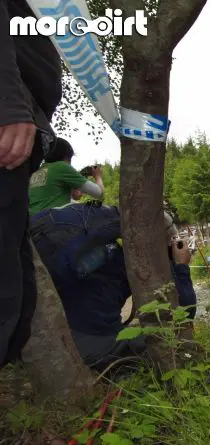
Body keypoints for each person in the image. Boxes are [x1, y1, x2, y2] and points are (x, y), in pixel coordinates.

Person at [29, 203, 197, 371]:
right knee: (166, 348)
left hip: (50, 336)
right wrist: (181, 266)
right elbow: (185, 313)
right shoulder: (135, 267)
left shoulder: (102, 251)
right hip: (91, 345)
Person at [0, 0, 62, 368]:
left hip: (25, 118)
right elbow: (96, 196)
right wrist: (8, 102)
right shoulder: (65, 174)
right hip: (14, 120)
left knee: (15, 299)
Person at [28, 137, 104, 215]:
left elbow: (76, 196)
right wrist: (98, 176)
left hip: (31, 221)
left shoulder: (36, 172)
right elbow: (99, 193)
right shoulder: (61, 167)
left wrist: (80, 179)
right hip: (49, 221)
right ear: (66, 156)